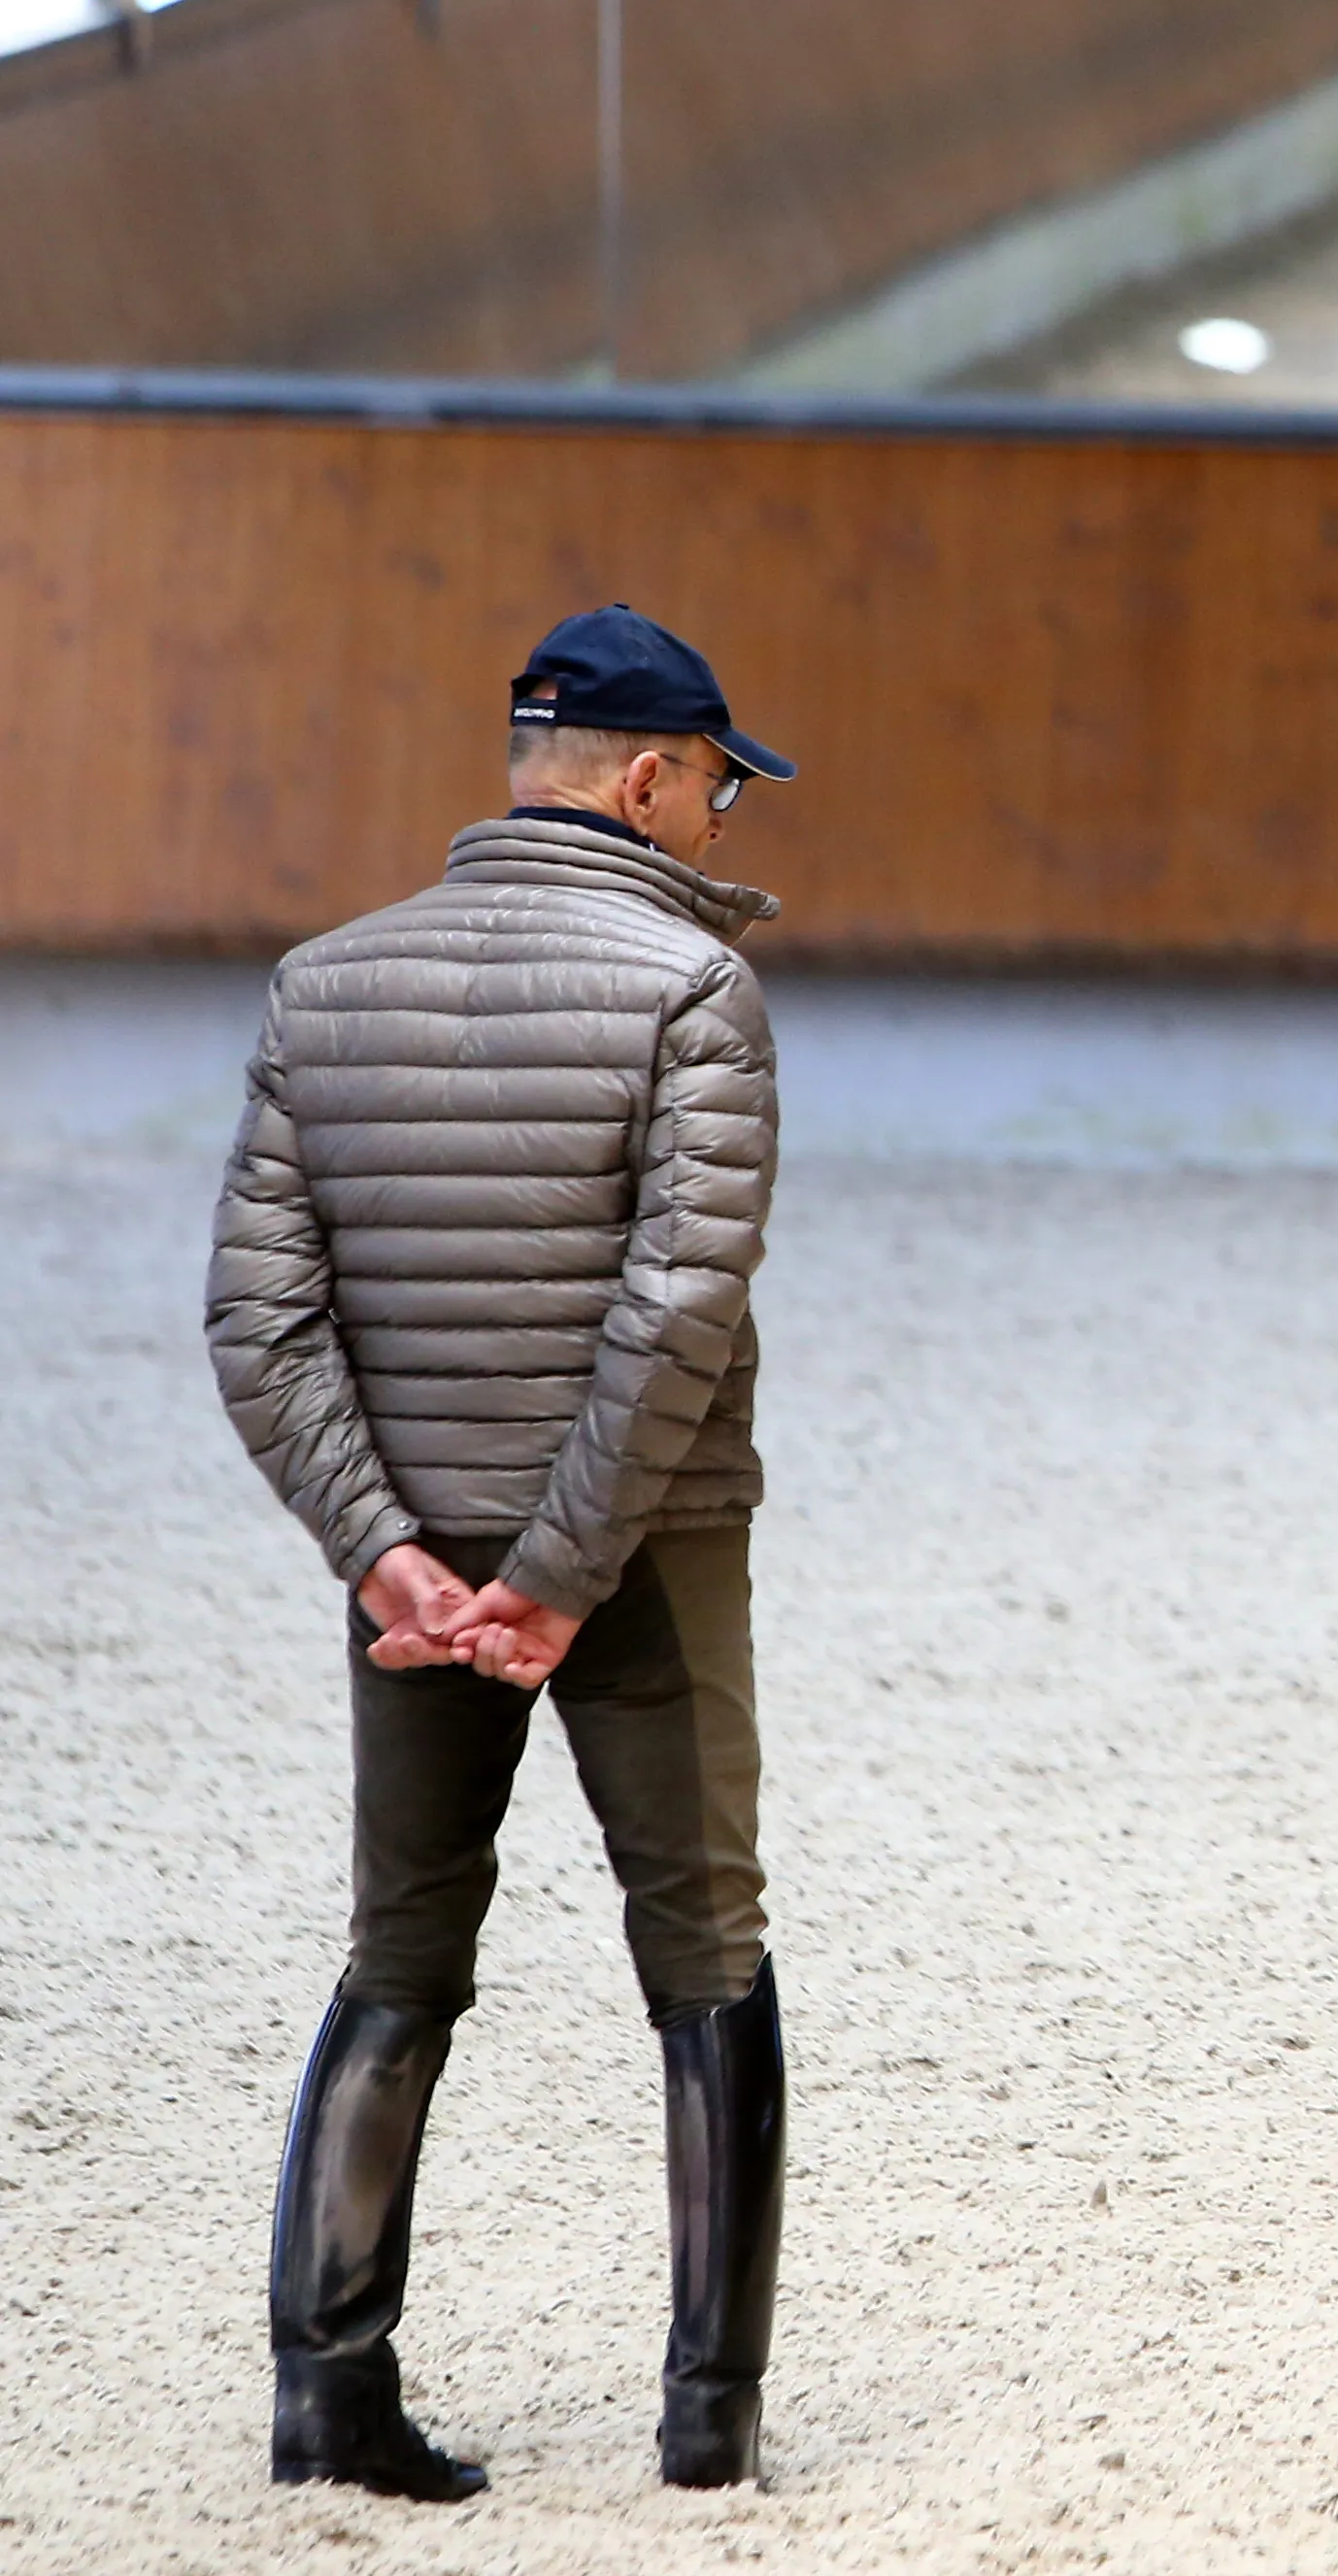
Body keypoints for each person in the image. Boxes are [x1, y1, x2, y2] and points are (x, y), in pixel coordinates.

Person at [206, 606, 801, 2500]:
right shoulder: (692, 991)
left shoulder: (322, 983)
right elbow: (678, 1308)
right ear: (647, 779)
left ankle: (326, 2385)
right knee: (703, 1947)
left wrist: (381, 1547)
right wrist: (562, 1565)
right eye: (716, 787)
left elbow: (261, 1318)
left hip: (415, 1570)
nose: (718, 820)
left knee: (398, 1953)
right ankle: (707, 2415)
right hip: (643, 1548)